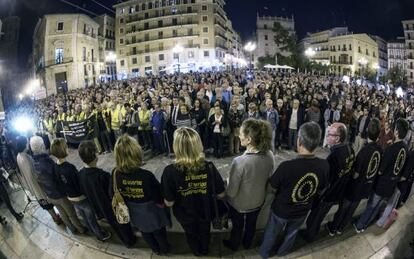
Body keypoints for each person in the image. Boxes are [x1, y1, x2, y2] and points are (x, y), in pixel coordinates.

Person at [259, 122, 329, 258]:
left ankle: (264, 253)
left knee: (271, 233)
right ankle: (283, 253)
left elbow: (271, 188)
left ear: (299, 141)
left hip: (281, 210)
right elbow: (321, 189)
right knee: (291, 233)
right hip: (303, 210)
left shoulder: (287, 167)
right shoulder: (324, 166)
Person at [161, 127, 226, 256]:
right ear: (198, 145)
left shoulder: (169, 172)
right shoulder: (209, 167)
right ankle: (205, 249)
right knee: (205, 232)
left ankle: (197, 252)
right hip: (206, 212)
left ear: (177, 147)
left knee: (190, 234)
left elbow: (169, 203)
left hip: (185, 215)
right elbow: (221, 194)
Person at [113, 135, 170, 254]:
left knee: (145, 233)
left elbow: (114, 193)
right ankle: (164, 250)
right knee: (159, 234)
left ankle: (155, 250)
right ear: (136, 154)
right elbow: (158, 197)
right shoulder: (146, 176)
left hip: (135, 214)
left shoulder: (115, 174)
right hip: (152, 214)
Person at [224, 119, 275, 251]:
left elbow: (231, 192)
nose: (238, 135)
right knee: (251, 226)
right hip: (258, 202)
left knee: (237, 227)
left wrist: (228, 181)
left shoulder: (240, 162)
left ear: (249, 139)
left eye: (241, 133)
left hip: (239, 205)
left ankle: (234, 245)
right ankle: (247, 244)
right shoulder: (269, 155)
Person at [326, 119, 382, 235]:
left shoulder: (364, 151)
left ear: (367, 131)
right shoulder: (380, 149)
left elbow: (356, 174)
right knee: (351, 210)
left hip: (354, 188)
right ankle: (341, 228)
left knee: (343, 209)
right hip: (366, 186)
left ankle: (333, 228)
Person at [78, 140, 137, 247]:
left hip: (99, 208)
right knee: (122, 226)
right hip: (111, 208)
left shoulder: (80, 174)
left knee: (115, 226)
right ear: (96, 155)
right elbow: (111, 193)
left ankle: (125, 241)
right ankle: (130, 241)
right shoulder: (102, 175)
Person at [50, 138, 111, 241]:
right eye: (66, 147)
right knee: (91, 218)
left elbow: (59, 182)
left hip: (70, 198)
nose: (67, 148)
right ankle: (100, 235)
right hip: (80, 197)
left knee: (85, 217)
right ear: (63, 150)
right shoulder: (70, 167)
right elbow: (79, 183)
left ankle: (92, 231)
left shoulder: (55, 166)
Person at [354, 118, 409, 232]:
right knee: (377, 206)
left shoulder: (391, 149)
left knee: (372, 206)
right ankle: (366, 223)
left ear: (397, 132)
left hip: (382, 185)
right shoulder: (405, 148)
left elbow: (380, 171)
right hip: (392, 185)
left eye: (395, 128)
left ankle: (360, 225)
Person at [304, 123, 355, 241]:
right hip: (338, 191)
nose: (326, 136)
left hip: (328, 195)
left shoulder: (334, 156)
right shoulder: (350, 149)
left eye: (330, 134)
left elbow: (327, 181)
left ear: (337, 138)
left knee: (315, 218)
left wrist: (319, 196)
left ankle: (310, 236)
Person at [30, 136, 86, 234]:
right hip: (59, 193)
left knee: (62, 212)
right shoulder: (46, 162)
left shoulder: (34, 162)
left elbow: (39, 179)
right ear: (42, 146)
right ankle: (80, 229)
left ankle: (72, 229)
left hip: (49, 194)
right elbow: (56, 177)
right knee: (71, 213)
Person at [15, 136, 61, 224]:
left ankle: (55, 217)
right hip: (37, 186)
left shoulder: (19, 156)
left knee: (45, 203)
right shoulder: (26, 159)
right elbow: (33, 174)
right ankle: (56, 218)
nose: (28, 144)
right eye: (27, 142)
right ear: (24, 144)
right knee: (47, 203)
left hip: (33, 186)